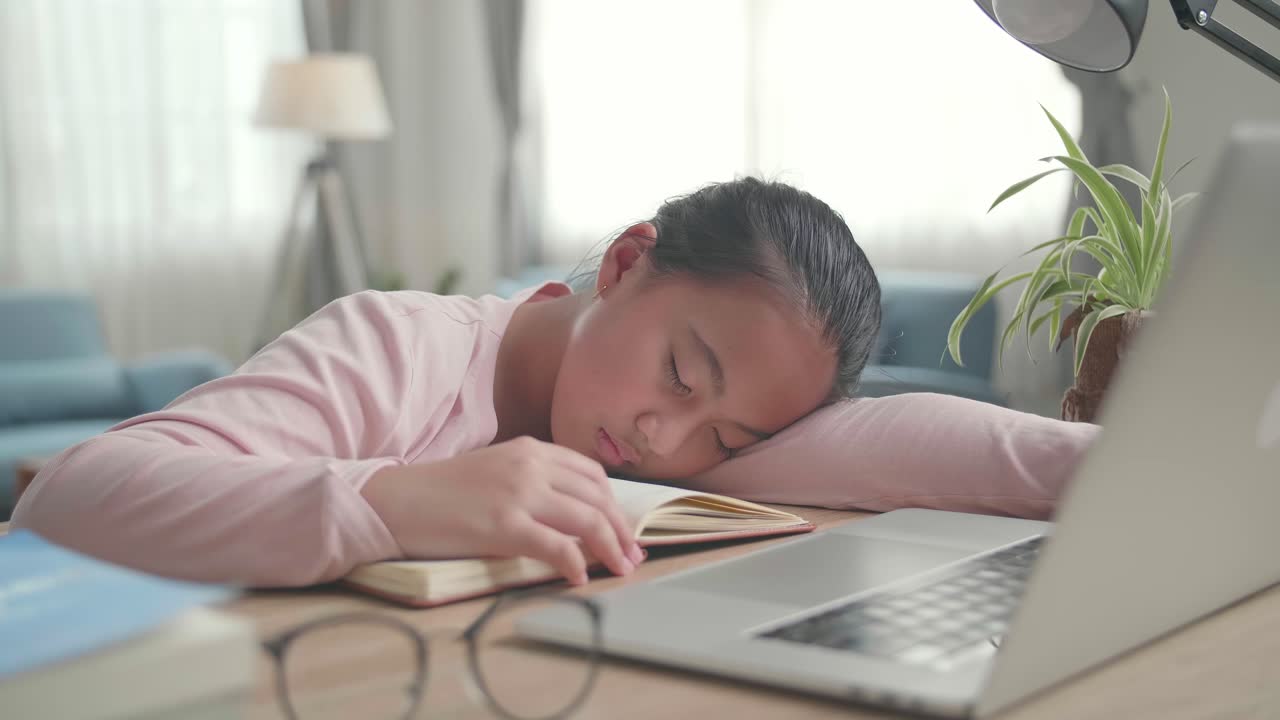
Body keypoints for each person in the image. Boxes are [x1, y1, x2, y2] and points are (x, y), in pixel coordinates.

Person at [11, 178, 1098, 587]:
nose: (669, 440)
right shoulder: (400, 347)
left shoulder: (672, 447)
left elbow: (895, 439)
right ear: (625, 262)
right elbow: (69, 494)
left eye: (725, 439)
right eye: (680, 372)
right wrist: (388, 502)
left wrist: (1135, 469)